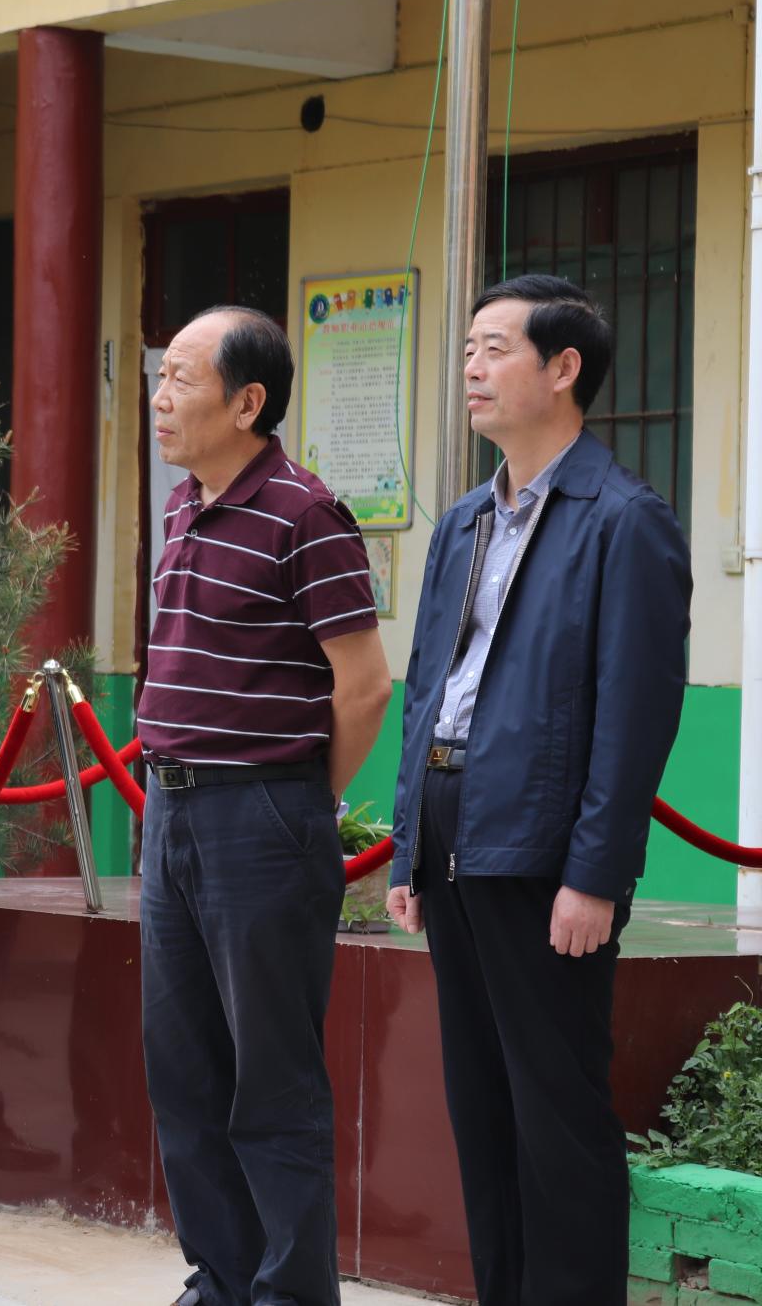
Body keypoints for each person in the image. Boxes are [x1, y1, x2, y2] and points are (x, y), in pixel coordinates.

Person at [387, 275, 690, 1306]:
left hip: (541, 846)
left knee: (554, 1114)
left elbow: (634, 716)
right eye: (468, 348)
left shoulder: (625, 521)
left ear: (563, 369)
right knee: (480, 1110)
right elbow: (428, 687)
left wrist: (594, 874)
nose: (471, 368)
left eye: (494, 348)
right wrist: (406, 845)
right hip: (452, 826)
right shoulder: (464, 522)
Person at [136, 306, 391, 1306]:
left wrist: (300, 799)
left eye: (180, 378)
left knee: (271, 1078)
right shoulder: (180, 506)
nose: (159, 397)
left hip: (261, 817)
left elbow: (362, 685)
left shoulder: (304, 513)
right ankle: (222, 1278)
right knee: (183, 1069)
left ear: (247, 402)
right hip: (170, 812)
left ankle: (291, 1292)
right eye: (158, 377)